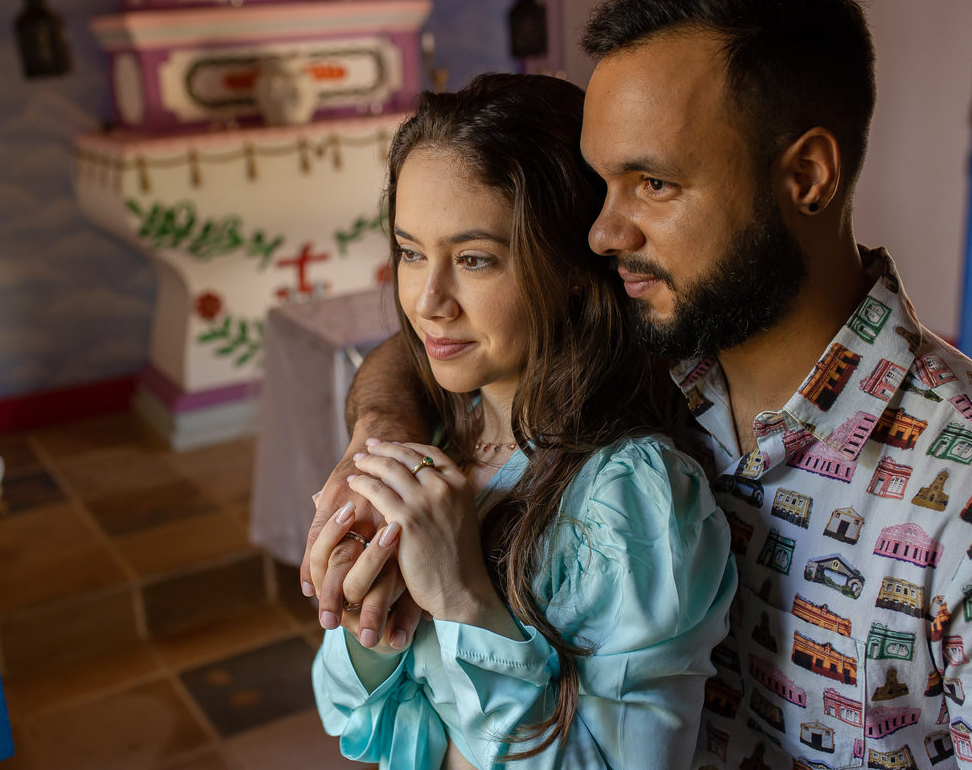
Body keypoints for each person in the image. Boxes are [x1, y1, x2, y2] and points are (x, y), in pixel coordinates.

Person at [306, 0, 972, 769]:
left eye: (653, 183)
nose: (604, 233)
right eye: (602, 183)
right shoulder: (653, 342)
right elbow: (428, 350)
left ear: (808, 177)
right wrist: (381, 437)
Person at [309, 72, 736, 769]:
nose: (426, 301)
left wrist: (460, 598)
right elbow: (362, 724)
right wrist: (366, 622)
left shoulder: (633, 500)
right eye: (411, 252)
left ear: (570, 267)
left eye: (474, 260)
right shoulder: (448, 433)